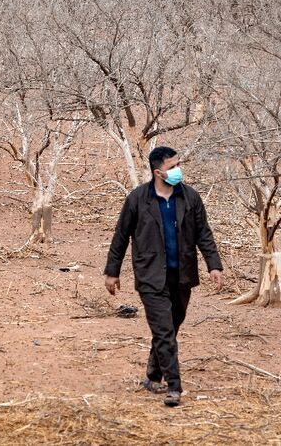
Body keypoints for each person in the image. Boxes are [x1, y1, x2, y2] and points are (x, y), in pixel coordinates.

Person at [104, 146, 223, 407]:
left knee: (171, 326)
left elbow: (204, 232)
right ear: (158, 172)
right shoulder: (137, 199)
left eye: (178, 165)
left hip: (182, 275)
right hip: (150, 276)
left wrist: (214, 265)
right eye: (173, 167)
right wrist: (111, 272)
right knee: (165, 331)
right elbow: (121, 236)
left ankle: (152, 375)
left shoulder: (190, 197)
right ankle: (174, 387)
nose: (178, 170)